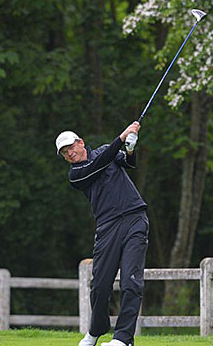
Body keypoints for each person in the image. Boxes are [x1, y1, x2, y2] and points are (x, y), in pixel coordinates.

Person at [56, 122, 148, 346]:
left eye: (71, 147)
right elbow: (101, 162)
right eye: (65, 153)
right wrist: (121, 137)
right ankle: (95, 331)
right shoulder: (76, 174)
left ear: (81, 142)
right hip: (107, 227)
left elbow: (128, 162)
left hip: (135, 218)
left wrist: (130, 146)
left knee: (131, 282)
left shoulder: (104, 151)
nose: (69, 153)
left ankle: (123, 339)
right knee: (100, 285)